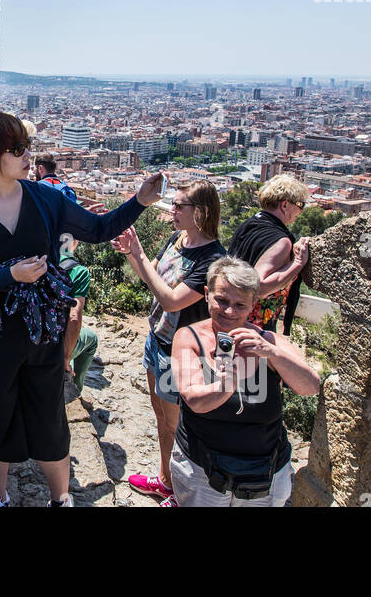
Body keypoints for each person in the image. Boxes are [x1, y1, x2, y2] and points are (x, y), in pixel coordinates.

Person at [0, 111, 163, 507]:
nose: (29, 156)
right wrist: (11, 276)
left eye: (27, 147)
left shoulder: (44, 197)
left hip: (41, 330)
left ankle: (62, 498)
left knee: (50, 412)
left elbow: (97, 230)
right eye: (17, 149)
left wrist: (140, 202)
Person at [170, 257, 319, 506]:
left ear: (253, 304)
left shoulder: (267, 340)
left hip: (265, 468)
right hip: (202, 469)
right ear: (207, 294)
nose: (229, 311)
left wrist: (272, 353)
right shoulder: (190, 338)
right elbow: (194, 400)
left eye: (240, 304)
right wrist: (226, 385)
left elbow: (310, 387)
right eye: (222, 300)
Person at [113, 179, 225, 507]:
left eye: (180, 206)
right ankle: (166, 480)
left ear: (202, 212)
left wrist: (140, 254)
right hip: (157, 340)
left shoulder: (212, 260)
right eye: (173, 204)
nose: (172, 210)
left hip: (182, 353)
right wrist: (133, 256)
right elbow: (154, 281)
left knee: (178, 426)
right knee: (161, 415)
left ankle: (182, 492)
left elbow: (173, 299)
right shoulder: (178, 239)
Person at [228, 174, 311, 333]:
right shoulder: (281, 241)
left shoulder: (250, 224)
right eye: (300, 204)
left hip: (230, 313)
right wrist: (298, 263)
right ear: (285, 205)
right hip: (252, 325)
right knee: (249, 359)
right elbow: (260, 287)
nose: (301, 210)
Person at [59, 247, 99, 399]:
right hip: (56, 347)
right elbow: (74, 317)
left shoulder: (38, 259)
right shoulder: (78, 271)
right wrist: (65, 358)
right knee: (92, 339)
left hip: (32, 340)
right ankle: (75, 386)